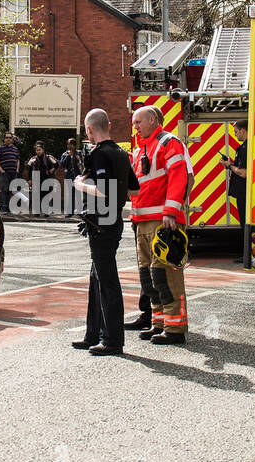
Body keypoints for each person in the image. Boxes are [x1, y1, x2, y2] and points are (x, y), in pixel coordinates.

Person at [71, 109, 138, 356]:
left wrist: (80, 184)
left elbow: (105, 189)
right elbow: (134, 189)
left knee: (107, 280)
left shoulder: (99, 154)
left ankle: (112, 340)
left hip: (101, 223)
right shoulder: (121, 152)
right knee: (96, 279)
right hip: (112, 221)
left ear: (89, 130)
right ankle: (93, 334)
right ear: (108, 125)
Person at [127, 105, 192, 345]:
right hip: (143, 222)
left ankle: (175, 329)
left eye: (138, 122)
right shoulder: (141, 148)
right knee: (150, 276)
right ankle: (159, 323)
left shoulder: (168, 143)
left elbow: (179, 177)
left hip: (162, 222)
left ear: (153, 120)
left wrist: (171, 212)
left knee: (166, 275)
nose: (135, 126)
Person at [225, 119, 249, 264]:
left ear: (243, 131)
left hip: (244, 193)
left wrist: (230, 166)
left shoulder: (245, 149)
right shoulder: (246, 147)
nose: (235, 135)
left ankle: (246, 255)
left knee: (245, 224)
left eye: (236, 132)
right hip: (244, 192)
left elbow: (244, 172)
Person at [25, 141, 59, 215]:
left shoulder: (48, 158)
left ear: (43, 150)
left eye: (40, 150)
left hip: (46, 179)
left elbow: (57, 164)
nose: (38, 151)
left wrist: (52, 170)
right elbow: (29, 170)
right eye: (37, 150)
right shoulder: (33, 159)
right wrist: (29, 179)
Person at [0, 132, 20, 213]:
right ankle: (1, 208)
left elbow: (17, 159)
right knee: (3, 190)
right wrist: (1, 170)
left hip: (13, 172)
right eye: (7, 137)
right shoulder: (0, 148)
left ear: (12, 139)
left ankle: (8, 208)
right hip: (4, 173)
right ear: (4, 139)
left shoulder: (15, 149)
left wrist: (17, 169)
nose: (8, 139)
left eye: (10, 137)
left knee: (10, 190)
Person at [59, 137, 83, 216]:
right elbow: (62, 164)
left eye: (72, 144)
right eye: (69, 144)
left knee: (78, 195)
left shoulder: (78, 153)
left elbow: (83, 164)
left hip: (78, 177)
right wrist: (68, 156)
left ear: (74, 146)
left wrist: (79, 159)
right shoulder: (65, 154)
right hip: (69, 177)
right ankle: (70, 212)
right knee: (70, 195)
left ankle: (80, 211)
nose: (71, 146)